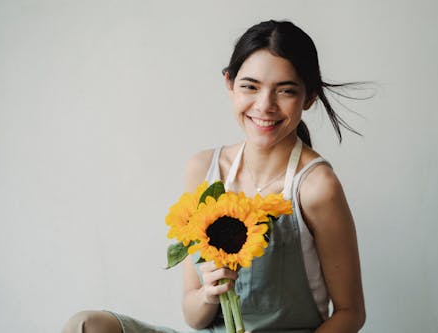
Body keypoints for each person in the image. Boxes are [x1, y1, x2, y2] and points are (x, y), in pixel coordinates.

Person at [62, 19, 366, 333]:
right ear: (229, 83)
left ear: (309, 96)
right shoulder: (204, 169)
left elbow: (350, 313)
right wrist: (210, 292)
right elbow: (193, 317)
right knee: (86, 326)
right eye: (250, 86)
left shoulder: (316, 186)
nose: (265, 105)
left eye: (285, 90)